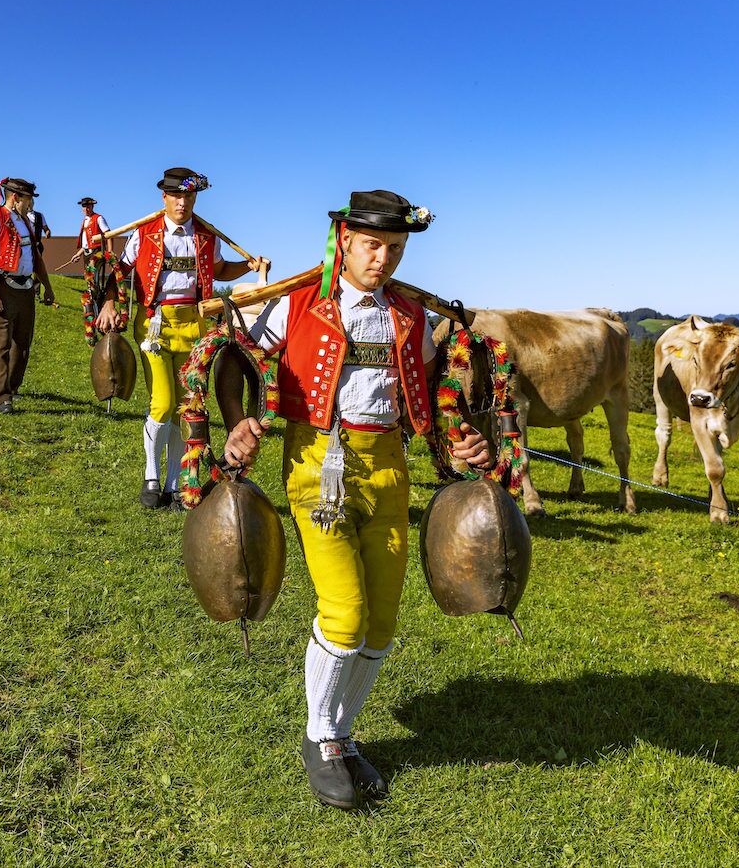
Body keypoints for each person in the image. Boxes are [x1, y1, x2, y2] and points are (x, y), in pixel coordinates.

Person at [220, 189, 492, 811]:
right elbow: (231, 356)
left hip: (389, 471)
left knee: (383, 622)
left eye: (395, 248)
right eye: (373, 245)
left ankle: (341, 735)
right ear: (343, 240)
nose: (384, 258)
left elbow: (437, 390)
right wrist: (238, 420)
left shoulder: (411, 319)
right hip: (317, 468)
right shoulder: (292, 307)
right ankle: (321, 738)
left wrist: (464, 438)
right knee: (343, 614)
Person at [96, 167, 266, 508]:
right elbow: (116, 271)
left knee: (183, 408)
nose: (182, 202)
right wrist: (110, 301)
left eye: (188, 196)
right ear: (164, 197)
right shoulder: (144, 234)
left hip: (195, 326)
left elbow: (219, 271)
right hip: (155, 326)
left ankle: (174, 483)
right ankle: (151, 475)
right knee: (161, 402)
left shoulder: (205, 235)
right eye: (176, 195)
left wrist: (248, 266)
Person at [0, 178, 55, 413]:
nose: (31, 205)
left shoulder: (25, 222)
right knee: (2, 345)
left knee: (23, 343)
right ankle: (2, 398)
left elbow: (36, 259)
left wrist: (47, 287)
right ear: (16, 198)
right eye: (28, 199)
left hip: (26, 288)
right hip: (1, 287)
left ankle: (13, 387)